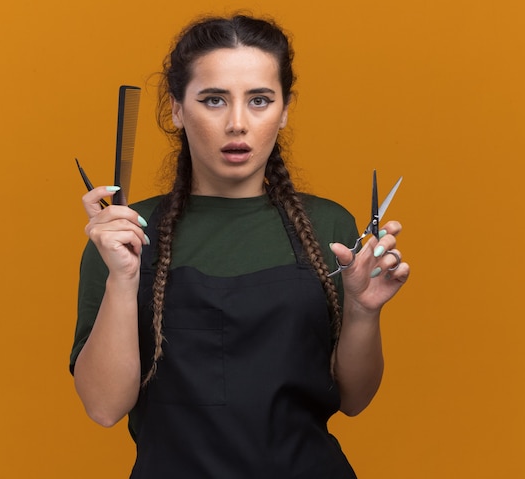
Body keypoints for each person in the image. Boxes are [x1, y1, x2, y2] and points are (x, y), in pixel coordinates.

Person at [70, 13, 409, 478]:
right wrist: (123, 279)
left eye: (260, 100)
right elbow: (104, 408)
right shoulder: (123, 235)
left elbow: (354, 400)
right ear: (175, 108)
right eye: (213, 100)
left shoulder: (329, 225)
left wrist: (365, 312)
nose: (237, 123)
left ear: (284, 109)